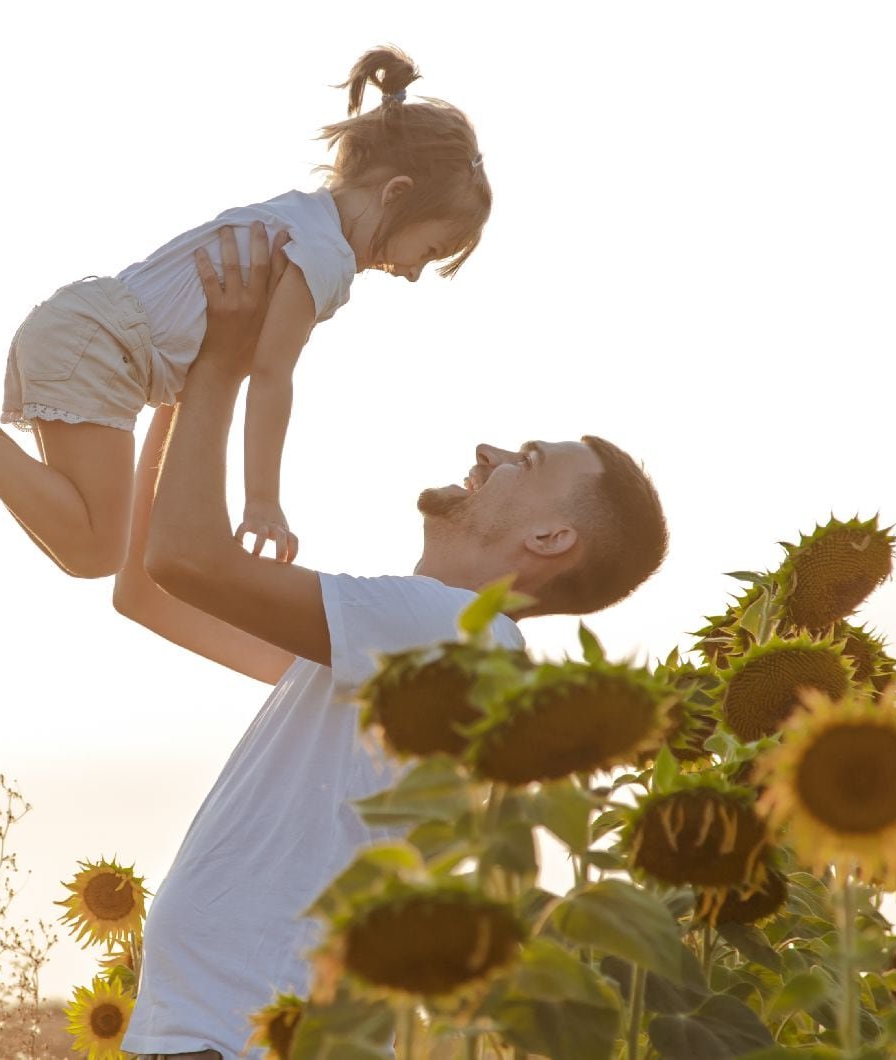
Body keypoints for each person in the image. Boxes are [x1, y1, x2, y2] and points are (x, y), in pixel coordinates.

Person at [114, 230, 668, 1058]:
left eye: (527, 459)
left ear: (553, 537)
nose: (489, 452)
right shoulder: (409, 656)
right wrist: (182, 392)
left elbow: (184, 559)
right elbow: (149, 591)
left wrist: (223, 362)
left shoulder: (448, 633)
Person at [0, 45, 491, 578]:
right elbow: (270, 374)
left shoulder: (301, 215)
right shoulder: (325, 256)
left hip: (88, 331)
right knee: (96, 550)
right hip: (105, 347)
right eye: (427, 250)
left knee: (93, 537)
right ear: (397, 194)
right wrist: (261, 498)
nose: (411, 272)